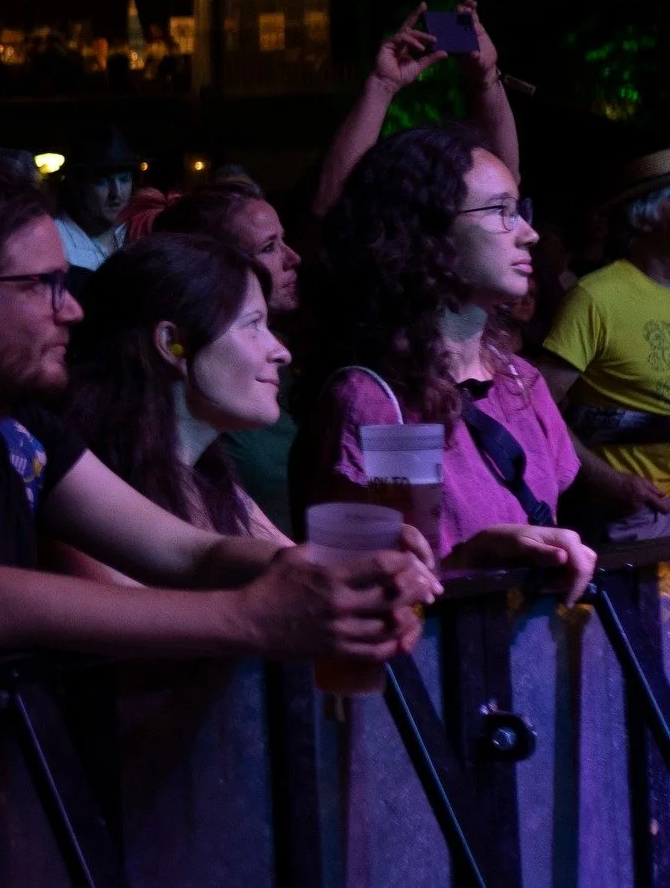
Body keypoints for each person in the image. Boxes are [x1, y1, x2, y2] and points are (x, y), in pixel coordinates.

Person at [0, 152, 437, 677]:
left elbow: (190, 552)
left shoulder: (22, 438)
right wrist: (249, 618)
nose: (72, 310)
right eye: (40, 285)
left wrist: (332, 570)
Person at [300, 122, 604, 600]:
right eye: (501, 211)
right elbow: (357, 595)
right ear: (426, 231)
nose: (529, 233)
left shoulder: (519, 382)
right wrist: (467, 561)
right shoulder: (375, 403)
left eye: (519, 210)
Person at [48, 235, 292, 586]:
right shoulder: (86, 507)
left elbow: (305, 573)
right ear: (170, 345)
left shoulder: (209, 480)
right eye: (253, 324)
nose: (282, 352)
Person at [153, 182, 306, 532]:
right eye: (269, 247)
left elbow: (285, 560)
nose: (293, 258)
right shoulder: (112, 494)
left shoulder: (213, 471)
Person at [535, 149, 670, 539]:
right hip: (636, 517)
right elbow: (535, 405)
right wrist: (607, 480)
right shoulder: (596, 298)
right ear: (649, 215)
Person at [313, 0, 518, 218]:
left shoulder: (497, 226)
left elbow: (508, 183)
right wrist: (382, 85)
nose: (530, 234)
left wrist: (486, 76)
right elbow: (332, 206)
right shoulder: (395, 243)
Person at [53, 127, 138, 273]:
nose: (116, 193)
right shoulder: (55, 238)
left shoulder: (137, 232)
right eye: (102, 181)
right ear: (78, 185)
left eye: (124, 180)